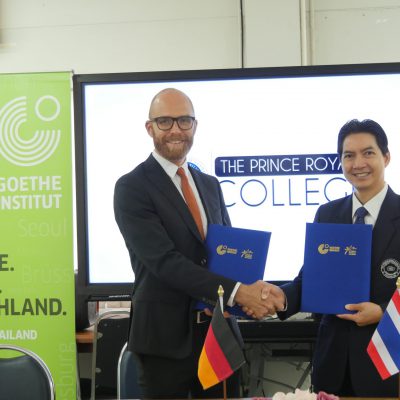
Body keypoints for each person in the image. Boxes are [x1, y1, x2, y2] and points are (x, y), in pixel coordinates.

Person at [113, 88, 279, 399]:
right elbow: (165, 262)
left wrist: (250, 295)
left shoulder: (209, 185)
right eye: (165, 121)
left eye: (184, 121)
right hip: (164, 343)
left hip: (218, 335)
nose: (176, 129)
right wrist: (238, 292)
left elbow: (227, 252)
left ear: (195, 126)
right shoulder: (132, 187)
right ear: (149, 128)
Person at [259, 118, 400, 397]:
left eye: (368, 153)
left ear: (386, 157)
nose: (358, 163)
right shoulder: (328, 214)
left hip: (388, 364)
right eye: (349, 155)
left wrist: (383, 313)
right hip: (333, 365)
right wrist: (279, 297)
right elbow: (311, 279)